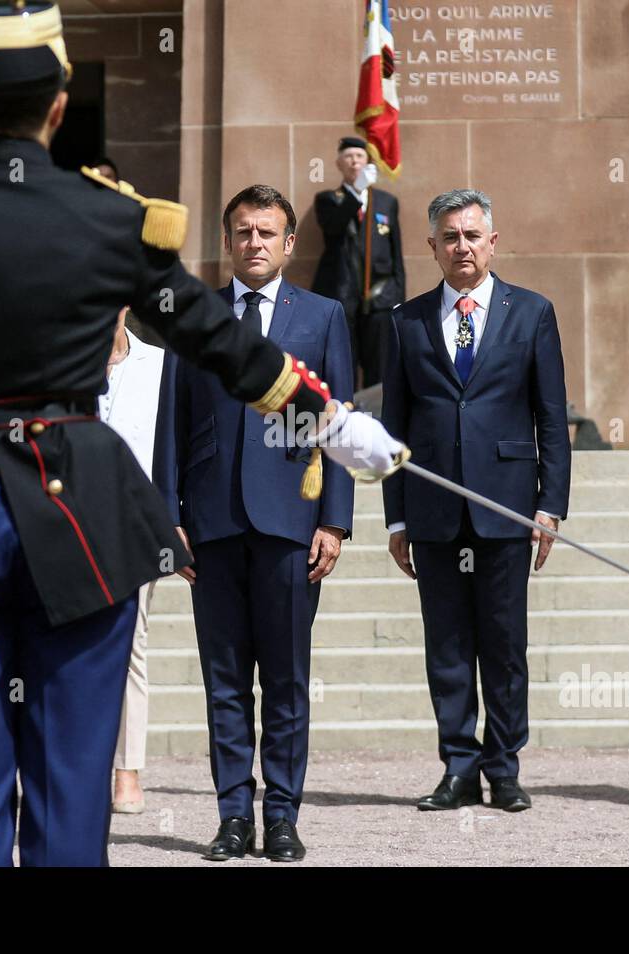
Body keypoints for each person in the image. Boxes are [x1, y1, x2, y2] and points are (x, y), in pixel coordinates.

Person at [0, 1, 400, 868]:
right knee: (73, 788)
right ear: (60, 104)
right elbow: (220, 342)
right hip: (80, 515)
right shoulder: (112, 219)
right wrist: (330, 420)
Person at [157, 185, 354, 862]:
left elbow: (340, 425)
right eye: (243, 232)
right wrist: (168, 519)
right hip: (211, 524)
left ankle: (283, 817)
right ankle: (233, 816)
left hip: (291, 523)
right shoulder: (197, 314)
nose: (255, 243)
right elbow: (172, 422)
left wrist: (336, 521)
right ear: (227, 239)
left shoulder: (323, 316)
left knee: (288, 678)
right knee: (225, 680)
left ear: (290, 242)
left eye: (268, 233)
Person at [381, 188, 571, 814]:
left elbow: (550, 416)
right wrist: (398, 515)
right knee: (448, 645)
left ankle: (504, 766)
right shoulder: (405, 322)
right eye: (450, 237)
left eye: (472, 235)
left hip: (508, 507)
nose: (462, 247)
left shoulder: (532, 313)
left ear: (493, 241)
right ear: (432, 247)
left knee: (503, 641)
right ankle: (458, 767)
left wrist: (550, 506)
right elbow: (395, 425)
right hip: (434, 508)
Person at [99, 306, 168, 815]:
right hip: (63, 522)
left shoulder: (162, 366)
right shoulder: (56, 365)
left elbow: (173, 449)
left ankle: (127, 770)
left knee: (130, 644)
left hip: (137, 526)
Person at [311, 136, 405, 389]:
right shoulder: (328, 199)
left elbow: (396, 251)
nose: (354, 162)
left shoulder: (386, 201)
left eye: (360, 156)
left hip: (380, 295)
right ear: (338, 163)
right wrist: (355, 194)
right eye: (348, 157)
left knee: (381, 368)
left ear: (368, 162)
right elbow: (334, 227)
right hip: (340, 294)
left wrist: (398, 296)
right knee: (342, 366)